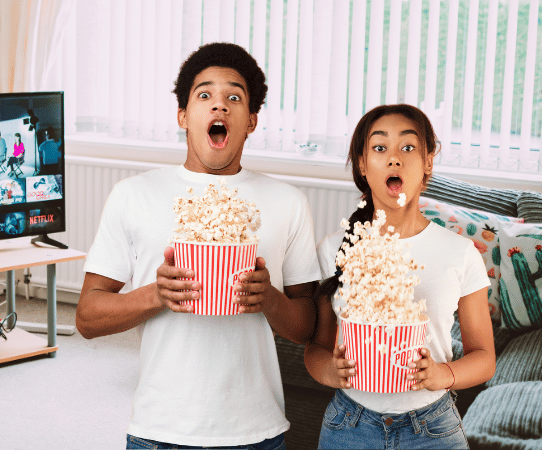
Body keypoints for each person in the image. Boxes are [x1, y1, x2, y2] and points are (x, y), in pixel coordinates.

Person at [76, 42, 321, 449]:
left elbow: (307, 326)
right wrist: (156, 295)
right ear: (183, 116)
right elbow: (87, 317)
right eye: (204, 95)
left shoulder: (288, 202)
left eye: (234, 98)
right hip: (160, 432)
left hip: (256, 432)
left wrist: (269, 299)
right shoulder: (133, 195)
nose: (219, 107)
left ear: (252, 120)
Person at [304, 104, 495, 449]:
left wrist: (443, 375)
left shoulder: (459, 252)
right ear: (363, 165)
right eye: (380, 148)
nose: (394, 158)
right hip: (349, 424)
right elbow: (315, 349)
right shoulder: (333, 249)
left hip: (432, 428)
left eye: (408, 147)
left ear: (428, 162)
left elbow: (483, 358)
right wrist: (329, 372)